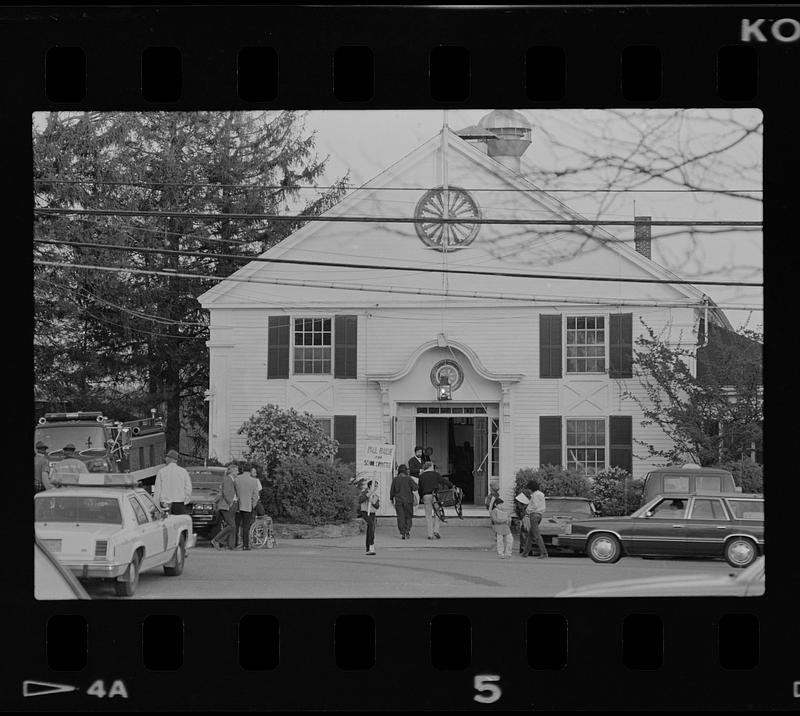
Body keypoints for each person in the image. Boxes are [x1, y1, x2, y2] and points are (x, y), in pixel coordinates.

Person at [153, 449, 193, 515]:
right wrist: (185, 501)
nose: (165, 459)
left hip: (165, 505)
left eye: (166, 457)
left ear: (169, 459)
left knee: (167, 524)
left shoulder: (161, 472)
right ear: (176, 460)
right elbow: (188, 489)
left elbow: (157, 491)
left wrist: (156, 506)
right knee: (179, 524)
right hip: (179, 504)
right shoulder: (183, 472)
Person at [211, 463, 239, 550]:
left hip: (231, 504)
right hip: (227, 505)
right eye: (236, 470)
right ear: (232, 470)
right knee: (232, 525)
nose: (238, 472)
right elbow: (226, 493)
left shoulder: (232, 479)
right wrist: (230, 503)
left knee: (232, 526)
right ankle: (216, 540)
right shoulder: (228, 479)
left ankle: (231, 545)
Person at [234, 465, 262, 551]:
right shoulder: (254, 481)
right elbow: (256, 496)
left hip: (238, 504)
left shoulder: (237, 479)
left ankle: (234, 543)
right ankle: (245, 545)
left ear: (242, 470)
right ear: (250, 471)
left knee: (236, 525)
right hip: (248, 505)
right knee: (246, 526)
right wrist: (252, 505)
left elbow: (234, 491)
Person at [418, 461, 447, 540]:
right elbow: (443, 481)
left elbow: (420, 488)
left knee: (428, 515)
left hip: (426, 496)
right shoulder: (435, 474)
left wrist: (421, 496)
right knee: (437, 513)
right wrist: (451, 485)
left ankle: (430, 534)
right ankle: (436, 531)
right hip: (435, 495)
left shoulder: (421, 476)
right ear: (430, 467)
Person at [521, 479, 548, 559]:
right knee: (530, 535)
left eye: (528, 489)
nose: (528, 491)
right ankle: (525, 553)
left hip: (534, 515)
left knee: (536, 535)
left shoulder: (535, 495)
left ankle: (544, 553)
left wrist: (527, 510)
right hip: (539, 515)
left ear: (531, 488)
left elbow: (535, 505)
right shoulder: (541, 494)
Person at [390, 464, 417, 539]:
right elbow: (415, 488)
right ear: (406, 471)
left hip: (398, 501)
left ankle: (402, 533)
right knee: (408, 516)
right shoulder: (409, 479)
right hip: (408, 501)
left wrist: (391, 499)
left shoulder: (395, 479)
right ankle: (407, 531)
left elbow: (392, 490)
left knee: (400, 517)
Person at [358, 480, 380, 555]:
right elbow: (360, 500)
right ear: (370, 486)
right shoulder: (365, 493)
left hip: (372, 513)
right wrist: (368, 495)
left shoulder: (376, 496)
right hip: (365, 512)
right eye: (375, 485)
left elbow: (377, 506)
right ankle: (371, 546)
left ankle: (368, 548)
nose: (376, 487)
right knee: (371, 525)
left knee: (370, 529)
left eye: (377, 486)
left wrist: (373, 502)